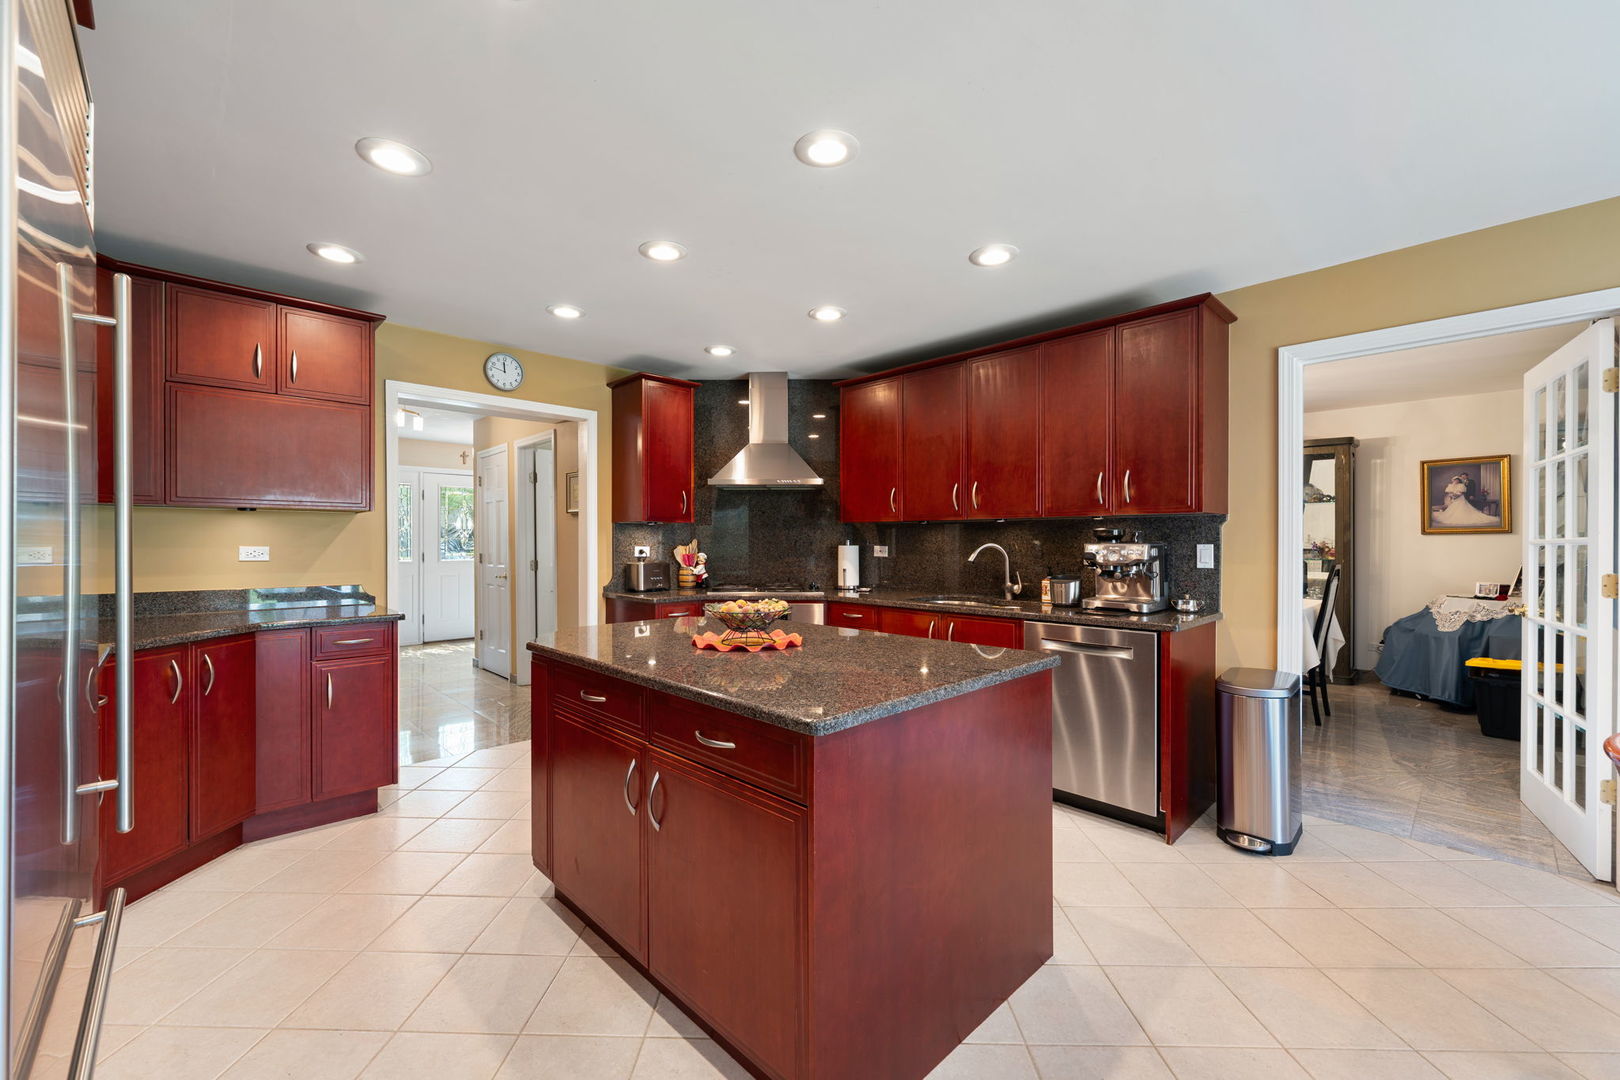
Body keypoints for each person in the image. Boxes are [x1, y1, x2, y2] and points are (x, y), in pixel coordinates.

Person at [1433, 472, 1500, 527]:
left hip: (1463, 497)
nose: (1463, 477)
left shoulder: (1466, 483)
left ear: (1467, 476)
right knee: (1454, 508)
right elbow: (1450, 491)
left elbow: (1467, 490)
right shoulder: (1452, 485)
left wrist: (1470, 495)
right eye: (1462, 476)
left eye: (1464, 476)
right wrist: (1452, 496)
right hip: (1456, 498)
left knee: (1465, 507)